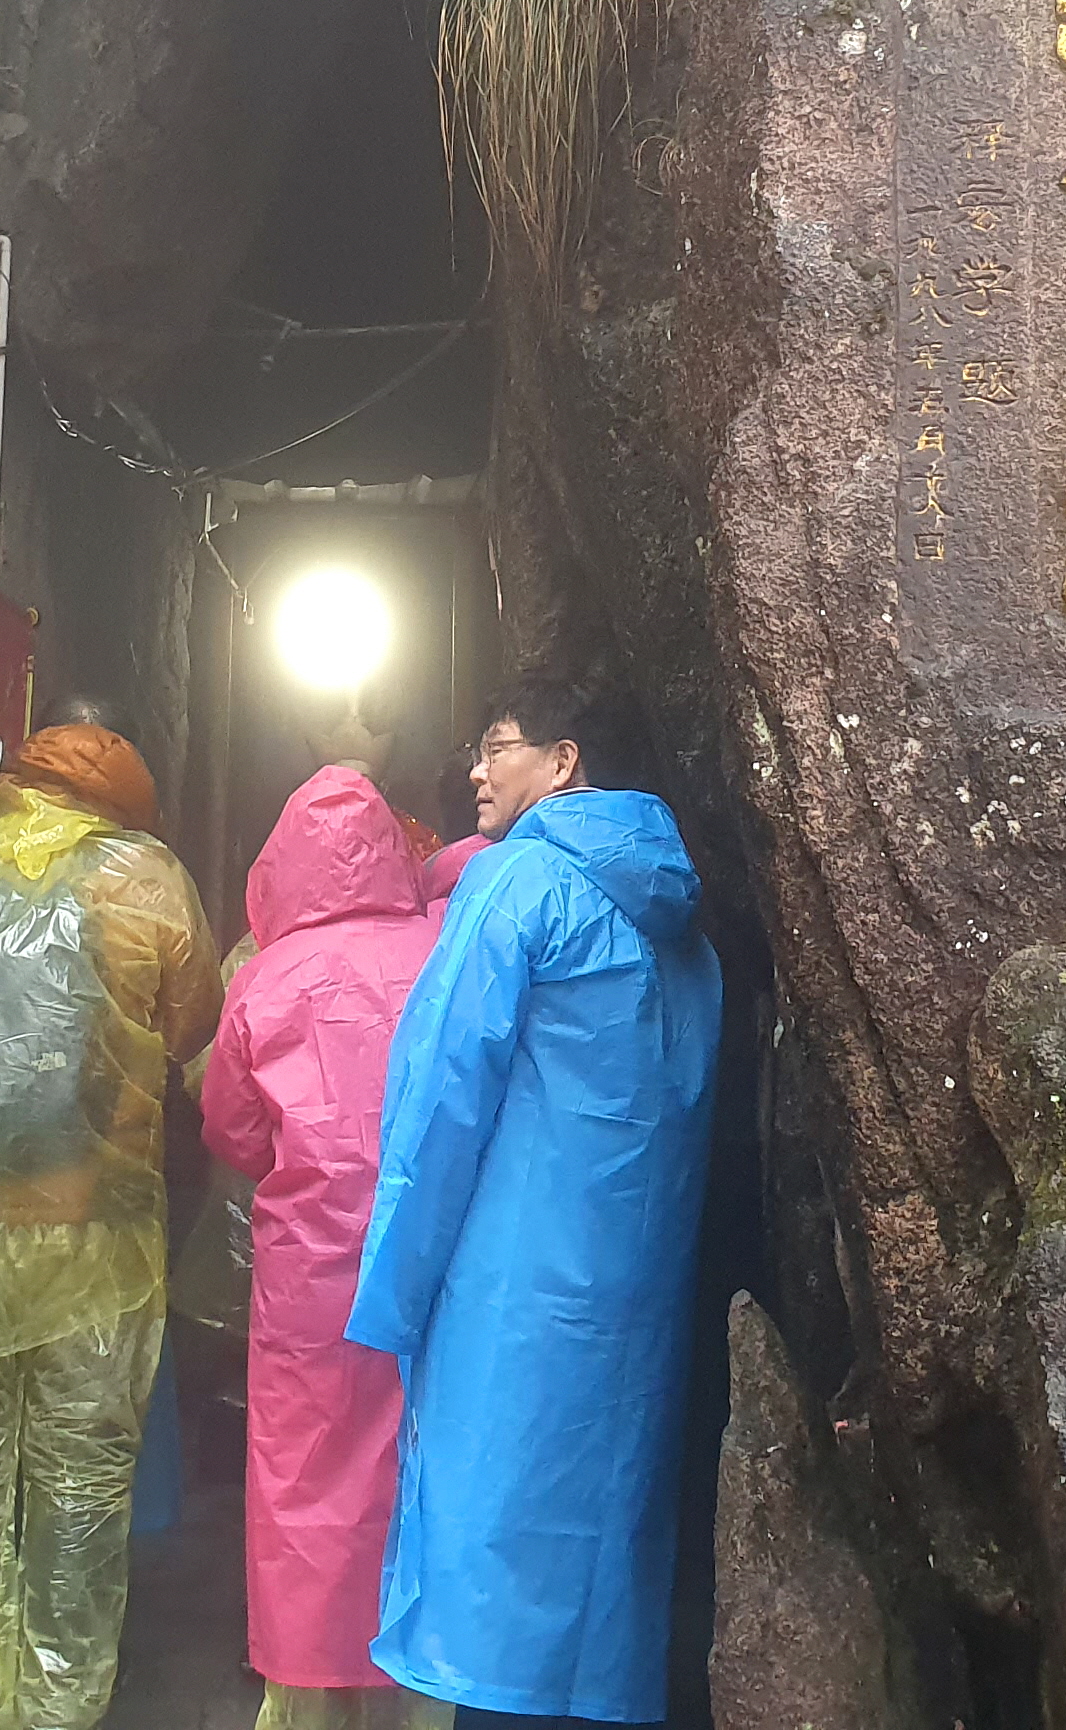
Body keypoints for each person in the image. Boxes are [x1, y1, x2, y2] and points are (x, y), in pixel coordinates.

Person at [346, 675, 724, 1728]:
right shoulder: (680, 916)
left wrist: (395, 1288)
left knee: (493, 1568)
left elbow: (441, 1090)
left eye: (496, 746)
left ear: (562, 762)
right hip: (638, 1295)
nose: (475, 769)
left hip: (510, 1287)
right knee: (601, 1560)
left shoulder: (518, 880)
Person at [0, 694, 223, 1730]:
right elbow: (193, 1025)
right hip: (93, 1241)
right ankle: (59, 1706)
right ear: (126, 802)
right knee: (78, 1488)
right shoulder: (150, 879)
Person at [199, 765, 480, 1730]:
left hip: (309, 1281)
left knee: (306, 1486)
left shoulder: (265, 976)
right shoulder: (444, 947)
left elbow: (233, 1132)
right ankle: (426, 1698)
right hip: (436, 1262)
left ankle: (312, 1700)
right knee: (425, 1473)